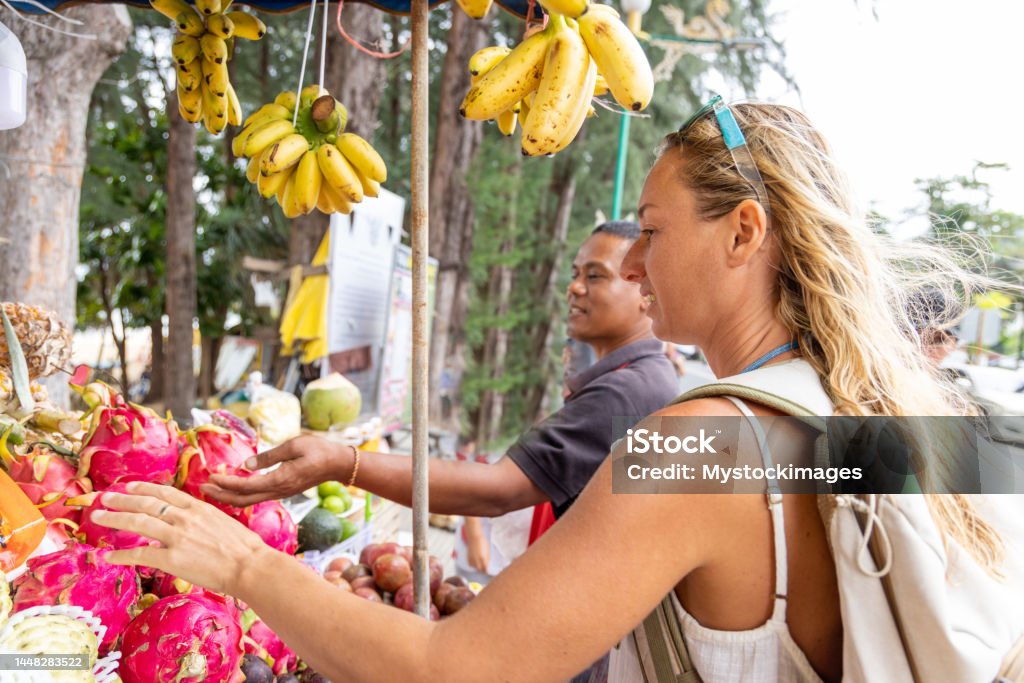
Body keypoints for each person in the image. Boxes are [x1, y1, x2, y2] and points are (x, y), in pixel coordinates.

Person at [94, 99, 1006, 683]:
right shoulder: (856, 408)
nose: (637, 262)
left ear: (744, 233)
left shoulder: (703, 443)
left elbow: (455, 674)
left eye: (651, 230)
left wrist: (243, 565)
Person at [203, 220, 679, 525]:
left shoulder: (628, 391)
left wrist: (341, 463)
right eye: (575, 272)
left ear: (643, 285)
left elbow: (498, 490)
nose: (574, 287)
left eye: (595, 275)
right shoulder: (640, 378)